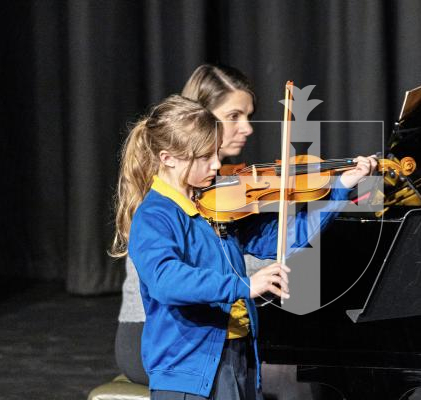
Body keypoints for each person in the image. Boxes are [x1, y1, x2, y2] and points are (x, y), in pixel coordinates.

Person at [114, 64, 377, 392]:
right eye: (205, 156)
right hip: (188, 364)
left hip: (235, 348)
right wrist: (244, 285)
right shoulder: (156, 215)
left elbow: (283, 239)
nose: (216, 165)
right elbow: (167, 280)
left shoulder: (219, 201)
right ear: (168, 158)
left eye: (216, 154)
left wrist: (338, 189)